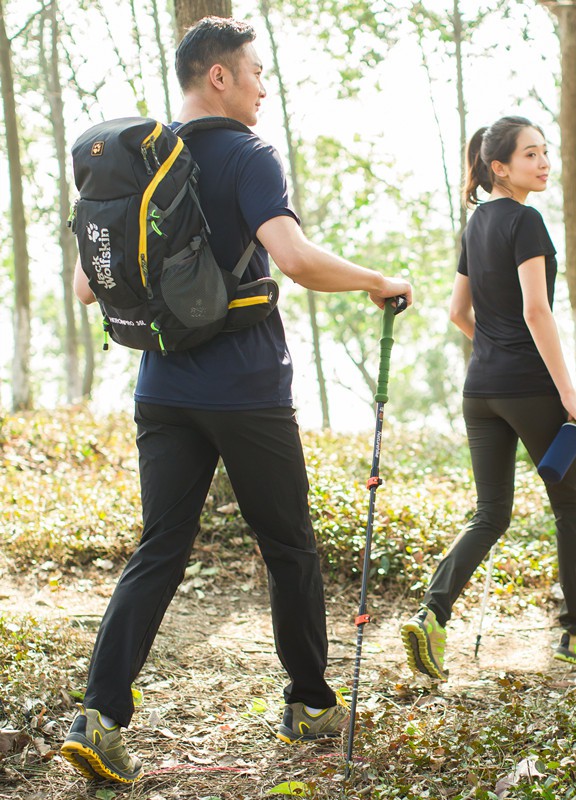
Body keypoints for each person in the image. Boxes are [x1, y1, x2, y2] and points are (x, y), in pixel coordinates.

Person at [60, 16, 412, 785]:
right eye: (255, 71)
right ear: (218, 76)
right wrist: (378, 281)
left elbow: (90, 285)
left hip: (161, 388)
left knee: (159, 549)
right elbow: (292, 257)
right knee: (288, 548)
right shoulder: (249, 154)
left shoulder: (140, 164)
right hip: (246, 388)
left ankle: (100, 714)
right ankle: (311, 704)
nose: (262, 86)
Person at [400, 115, 576, 681]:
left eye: (545, 152)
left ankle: (432, 615)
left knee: (490, 513)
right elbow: (536, 310)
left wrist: (493, 348)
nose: (543, 163)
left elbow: (456, 313)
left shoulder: (475, 226)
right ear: (500, 167)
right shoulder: (526, 221)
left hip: (481, 391)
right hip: (529, 388)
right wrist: (568, 394)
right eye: (530, 155)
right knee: (569, 506)